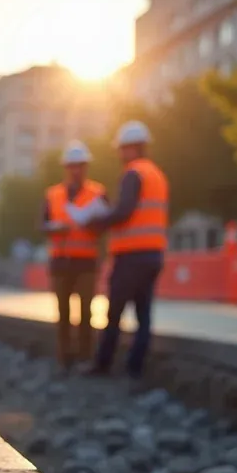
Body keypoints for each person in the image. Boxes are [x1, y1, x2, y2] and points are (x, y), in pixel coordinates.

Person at [67, 120, 168, 379]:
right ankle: (135, 367)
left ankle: (102, 364)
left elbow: (124, 211)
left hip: (131, 256)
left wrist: (97, 221)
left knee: (114, 313)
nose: (119, 154)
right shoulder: (156, 174)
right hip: (154, 254)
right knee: (144, 313)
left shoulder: (133, 173)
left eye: (121, 149)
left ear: (130, 148)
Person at [42, 141, 107, 370]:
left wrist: (92, 224)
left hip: (86, 261)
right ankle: (64, 357)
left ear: (86, 167)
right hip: (60, 262)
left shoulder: (97, 193)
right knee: (63, 313)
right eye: (72, 166)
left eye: (80, 166)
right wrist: (54, 228)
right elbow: (42, 224)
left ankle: (85, 356)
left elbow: (105, 223)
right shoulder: (53, 194)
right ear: (66, 168)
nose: (76, 170)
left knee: (86, 312)